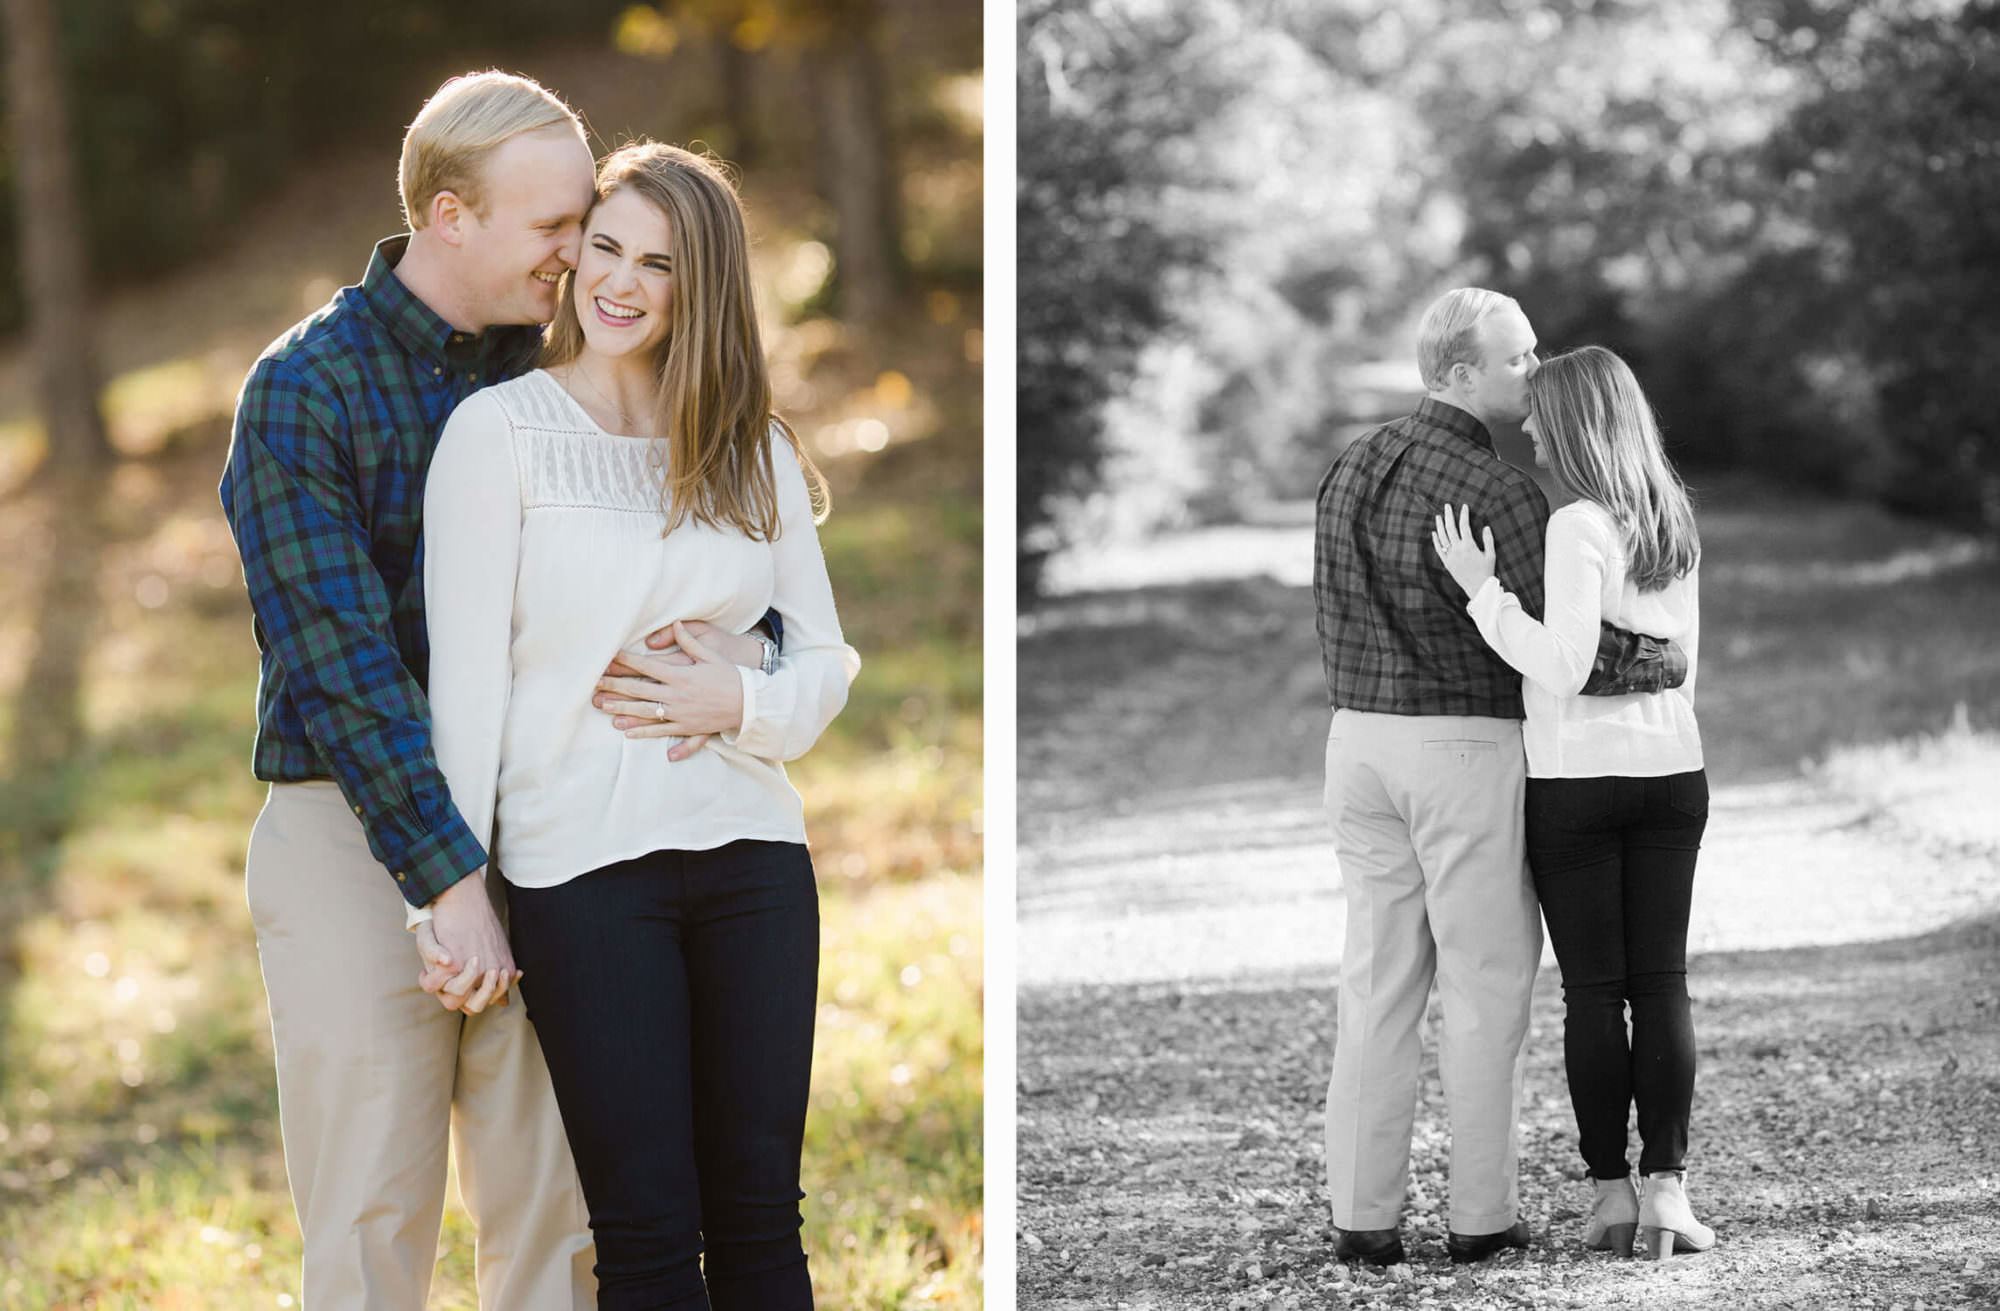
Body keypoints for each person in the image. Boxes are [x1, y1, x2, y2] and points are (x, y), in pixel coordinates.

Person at [220, 72, 772, 1307]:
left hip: (556, 829)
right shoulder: (306, 389)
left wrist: (753, 651)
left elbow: (723, 551)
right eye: (556, 227)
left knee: (559, 1220)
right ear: (451, 215)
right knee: (370, 1219)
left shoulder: (580, 369)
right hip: (356, 839)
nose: (583, 254)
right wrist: (443, 883)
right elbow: (341, 667)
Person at [421, 141, 859, 1310]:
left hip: (752, 860)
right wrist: (453, 889)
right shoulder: (496, 435)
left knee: (762, 1220)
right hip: (582, 874)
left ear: (697, 286)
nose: (617, 281)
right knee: (648, 1233)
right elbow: (466, 688)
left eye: (655, 264)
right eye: (603, 247)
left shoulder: (747, 447)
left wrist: (745, 697)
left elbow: (824, 659)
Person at [1312, 288, 1683, 1267]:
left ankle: (1362, 1215)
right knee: (1482, 988)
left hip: (1355, 746)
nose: (1533, 372)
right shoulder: (1503, 494)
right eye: (1517, 359)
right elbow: (1575, 656)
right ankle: (1479, 1217)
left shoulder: (1347, 466)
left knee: (1377, 984)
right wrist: (1669, 660)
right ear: (1461, 372)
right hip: (1461, 750)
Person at [1432, 344, 1712, 1262]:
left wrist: (1485, 597)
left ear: (1578, 421)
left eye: (1543, 412)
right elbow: (1676, 665)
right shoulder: (1672, 516)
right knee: (1661, 980)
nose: (1531, 426)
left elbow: (1562, 664)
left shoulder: (1578, 524)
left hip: (1578, 785)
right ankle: (1669, 1189)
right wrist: (1620, 656)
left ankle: (1609, 1197)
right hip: (1673, 774)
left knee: (1595, 992)